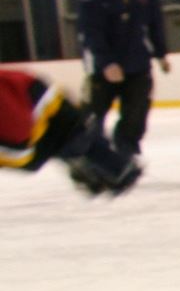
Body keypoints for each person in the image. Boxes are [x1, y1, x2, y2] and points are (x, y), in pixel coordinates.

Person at [76, 0, 167, 159]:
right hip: (104, 67)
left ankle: (126, 152)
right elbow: (90, 31)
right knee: (93, 115)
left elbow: (155, 22)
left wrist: (161, 53)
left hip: (137, 62)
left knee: (136, 113)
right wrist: (106, 63)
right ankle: (88, 155)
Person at [0, 65, 139, 195]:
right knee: (74, 136)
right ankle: (114, 168)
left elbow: (20, 147)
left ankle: (116, 169)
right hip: (36, 101)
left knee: (72, 138)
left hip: (35, 107)